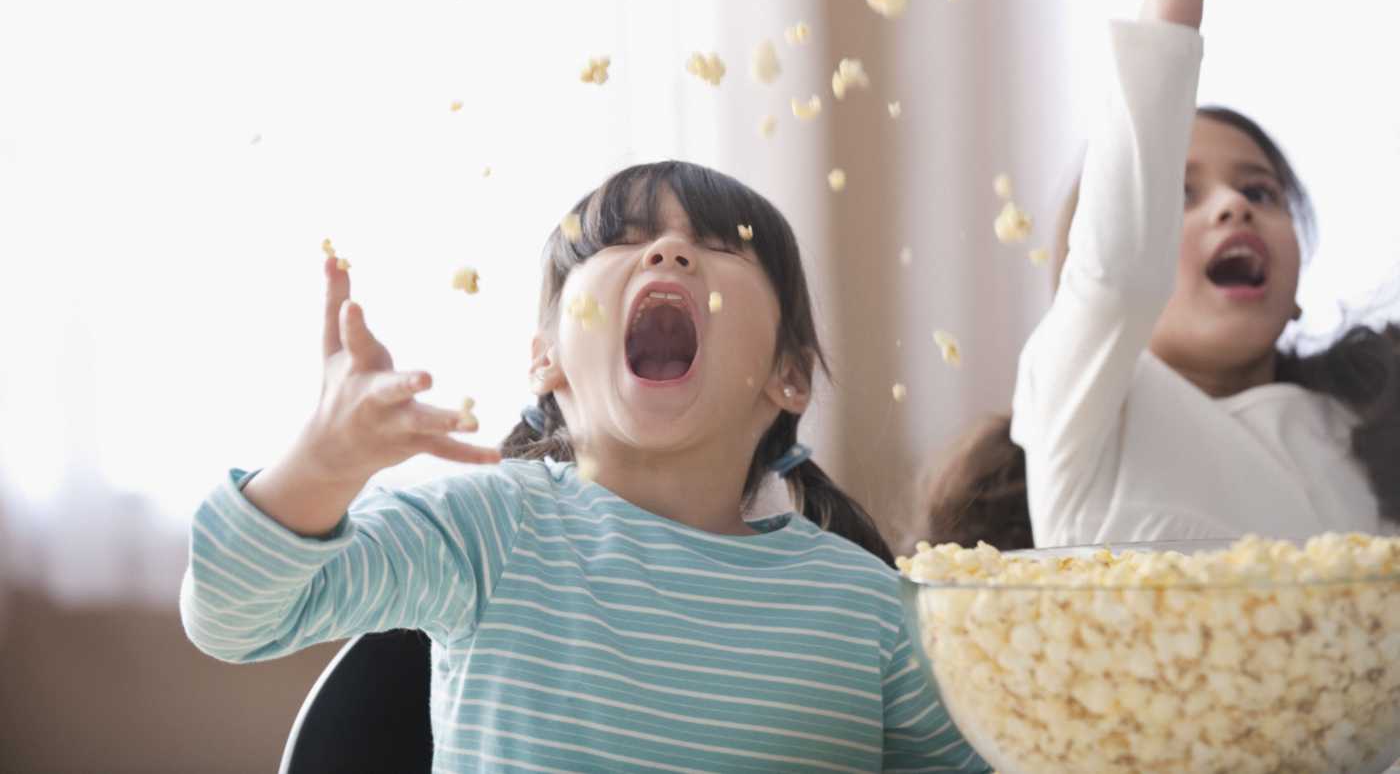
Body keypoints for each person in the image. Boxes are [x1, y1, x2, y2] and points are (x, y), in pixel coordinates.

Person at [180, 160, 990, 772]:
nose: (669, 252)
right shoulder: (490, 531)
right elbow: (234, 617)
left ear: (790, 374)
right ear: (547, 360)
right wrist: (323, 465)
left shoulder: (872, 610)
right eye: (622, 243)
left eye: (720, 246)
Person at [1010, 0, 1400, 548]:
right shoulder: (1086, 410)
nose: (1233, 205)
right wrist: (1171, 0)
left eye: (1260, 190)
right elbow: (1117, 273)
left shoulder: (1363, 428)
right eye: (1177, 195)